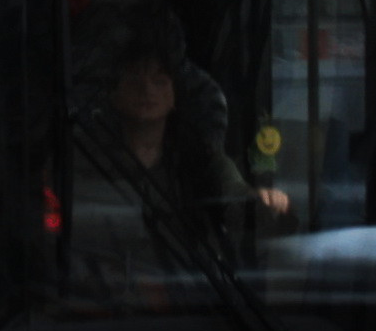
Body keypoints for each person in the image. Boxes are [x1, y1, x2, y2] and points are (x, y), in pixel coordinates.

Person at [68, 37, 288, 302]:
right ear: (114, 94)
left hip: (187, 303)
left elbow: (236, 200)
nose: (147, 90)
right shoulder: (83, 160)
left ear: (174, 95)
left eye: (159, 81)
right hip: (102, 304)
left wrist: (262, 202)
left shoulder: (201, 160)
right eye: (135, 80)